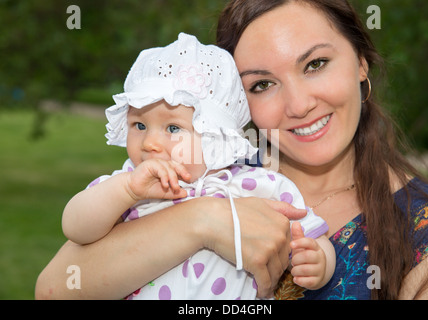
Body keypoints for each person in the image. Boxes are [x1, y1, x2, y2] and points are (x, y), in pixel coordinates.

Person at [36, 0, 428, 300]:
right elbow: (56, 289)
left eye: (315, 64)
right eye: (262, 84)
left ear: (361, 63)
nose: (299, 104)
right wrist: (205, 219)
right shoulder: (208, 171)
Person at [60, 32, 335, 300]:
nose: (150, 143)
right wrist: (128, 191)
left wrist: (317, 262)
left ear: (217, 136)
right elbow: (76, 227)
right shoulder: (128, 186)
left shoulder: (259, 185)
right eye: (140, 125)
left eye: (172, 127)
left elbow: (310, 233)